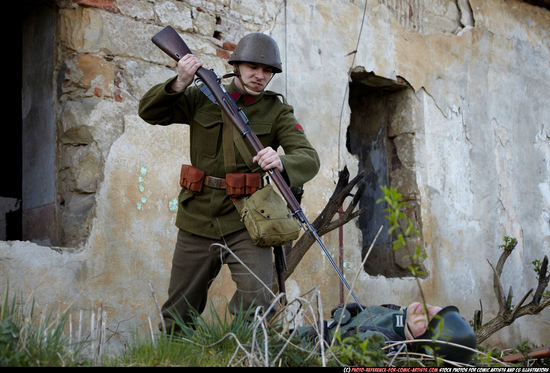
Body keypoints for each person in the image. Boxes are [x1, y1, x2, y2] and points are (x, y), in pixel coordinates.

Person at [138, 33, 320, 332]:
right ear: (236, 65)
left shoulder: (276, 111)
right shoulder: (201, 96)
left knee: (258, 301)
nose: (259, 76)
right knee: (179, 309)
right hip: (198, 215)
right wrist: (179, 82)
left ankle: (244, 354)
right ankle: (173, 356)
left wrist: (281, 161)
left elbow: (308, 157)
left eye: (267, 71)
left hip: (248, 219)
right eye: (252, 67)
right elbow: (149, 111)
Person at [298, 301, 477, 363]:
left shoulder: (384, 345)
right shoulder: (401, 315)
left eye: (428, 323)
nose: (425, 310)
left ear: (423, 345)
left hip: (299, 346)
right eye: (435, 311)